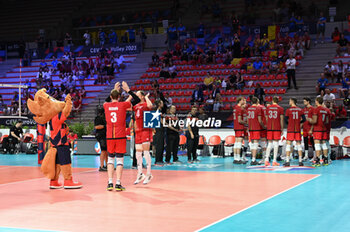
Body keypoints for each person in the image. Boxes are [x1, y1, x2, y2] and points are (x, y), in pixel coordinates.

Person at [104, 81, 137, 191]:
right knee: (119, 160)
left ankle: (109, 183)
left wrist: (113, 89)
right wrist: (128, 90)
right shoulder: (123, 105)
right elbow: (136, 100)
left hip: (109, 136)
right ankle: (118, 183)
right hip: (120, 136)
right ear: (119, 97)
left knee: (110, 159)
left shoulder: (106, 105)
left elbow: (106, 100)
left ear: (110, 96)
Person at [133, 91, 154, 185]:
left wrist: (146, 97)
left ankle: (149, 173)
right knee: (138, 153)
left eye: (137, 95)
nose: (135, 97)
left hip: (146, 130)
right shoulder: (136, 106)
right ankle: (140, 173)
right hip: (138, 132)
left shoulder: (145, 104)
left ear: (141, 96)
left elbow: (151, 106)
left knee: (146, 152)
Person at [307, 97, 329, 167]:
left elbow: (314, 121)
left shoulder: (316, 110)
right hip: (323, 129)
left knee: (317, 144)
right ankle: (325, 159)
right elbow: (327, 121)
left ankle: (317, 160)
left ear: (317, 101)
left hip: (317, 129)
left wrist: (309, 119)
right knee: (324, 144)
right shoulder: (326, 110)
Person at [284, 98, 306, 166]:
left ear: (292, 101)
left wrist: (290, 123)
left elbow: (285, 120)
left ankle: (287, 161)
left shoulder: (288, 110)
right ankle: (300, 161)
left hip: (290, 129)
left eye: (289, 101)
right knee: (299, 145)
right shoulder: (300, 110)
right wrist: (299, 122)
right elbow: (304, 119)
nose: (289, 102)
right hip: (297, 129)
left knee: (288, 145)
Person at [264, 96, 284, 166]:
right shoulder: (280, 108)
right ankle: (274, 161)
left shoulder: (268, 108)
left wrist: (267, 125)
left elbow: (266, 118)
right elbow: (281, 119)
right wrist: (282, 128)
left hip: (269, 127)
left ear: (272, 101)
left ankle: (266, 160)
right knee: (276, 144)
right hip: (277, 127)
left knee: (269, 144)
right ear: (278, 101)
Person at [247, 97, 265, 165]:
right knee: (256, 144)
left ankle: (253, 159)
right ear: (257, 102)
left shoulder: (248, 109)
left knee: (252, 143)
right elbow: (260, 120)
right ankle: (254, 160)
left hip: (251, 128)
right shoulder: (258, 108)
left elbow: (248, 119)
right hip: (256, 128)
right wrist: (263, 126)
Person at [233, 97, 247, 164]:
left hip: (236, 127)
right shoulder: (239, 109)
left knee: (236, 143)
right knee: (239, 143)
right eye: (242, 100)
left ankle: (235, 158)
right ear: (240, 101)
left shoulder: (235, 108)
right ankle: (238, 159)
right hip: (240, 127)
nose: (243, 101)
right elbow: (239, 120)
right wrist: (246, 123)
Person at [94, 107, 108, 171]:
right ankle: (101, 166)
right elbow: (97, 127)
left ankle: (107, 165)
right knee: (103, 150)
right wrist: (105, 126)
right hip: (101, 136)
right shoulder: (97, 118)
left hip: (105, 135)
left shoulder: (104, 118)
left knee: (106, 151)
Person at [153, 100, 165, 165]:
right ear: (159, 104)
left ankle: (160, 159)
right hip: (158, 130)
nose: (163, 104)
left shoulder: (160, 111)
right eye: (162, 103)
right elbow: (161, 121)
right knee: (159, 145)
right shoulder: (157, 111)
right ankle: (157, 160)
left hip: (161, 130)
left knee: (162, 145)